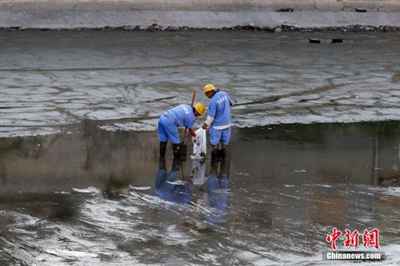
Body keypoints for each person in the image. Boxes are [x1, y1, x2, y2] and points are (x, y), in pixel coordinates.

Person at [201, 83, 233, 160]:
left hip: (217, 126)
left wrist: (205, 125)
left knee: (214, 143)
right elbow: (231, 103)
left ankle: (214, 160)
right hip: (227, 123)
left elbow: (211, 117)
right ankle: (222, 158)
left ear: (210, 92)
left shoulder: (213, 101)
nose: (206, 96)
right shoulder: (224, 94)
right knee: (224, 142)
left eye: (206, 94)